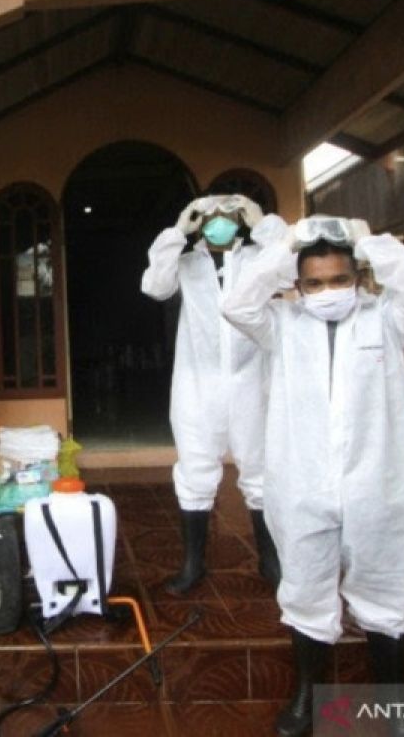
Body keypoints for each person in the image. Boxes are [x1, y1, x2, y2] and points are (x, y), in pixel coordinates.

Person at [222, 213, 404, 737]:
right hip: (302, 487)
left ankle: (395, 708)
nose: (328, 291)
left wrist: (369, 240)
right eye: (315, 282)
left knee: (389, 590)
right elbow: (235, 303)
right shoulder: (280, 326)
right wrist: (287, 246)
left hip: (379, 487)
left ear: (360, 278)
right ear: (297, 287)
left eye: (340, 279)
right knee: (304, 588)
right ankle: (307, 698)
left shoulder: (388, 319)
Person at [140, 193, 283, 596]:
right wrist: (176, 232)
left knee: (259, 472)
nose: (219, 221)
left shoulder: (260, 258)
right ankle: (193, 564)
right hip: (196, 384)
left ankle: (270, 559)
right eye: (209, 216)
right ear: (199, 223)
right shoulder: (186, 264)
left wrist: (265, 225)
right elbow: (154, 286)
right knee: (195, 470)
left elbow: (290, 270)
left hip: (252, 381)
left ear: (240, 219)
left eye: (228, 214)